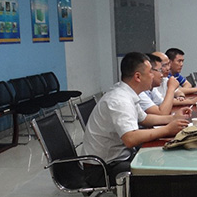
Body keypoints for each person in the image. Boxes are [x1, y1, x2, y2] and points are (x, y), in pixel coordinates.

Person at [82, 52, 191, 187]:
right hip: (102, 168)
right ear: (138, 77)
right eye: (150, 72)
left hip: (118, 158)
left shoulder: (128, 94)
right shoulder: (119, 100)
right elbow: (130, 139)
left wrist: (173, 118)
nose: (154, 75)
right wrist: (167, 129)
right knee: (161, 169)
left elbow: (145, 119)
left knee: (163, 153)